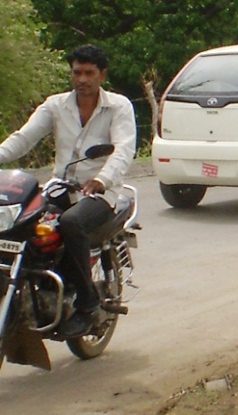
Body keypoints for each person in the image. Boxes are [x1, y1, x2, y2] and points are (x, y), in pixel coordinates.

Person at [0, 44, 136, 337]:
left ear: (102, 75)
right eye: (77, 72)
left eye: (89, 73)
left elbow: (124, 149)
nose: (82, 79)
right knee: (17, 222)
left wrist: (101, 179)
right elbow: (24, 139)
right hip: (60, 187)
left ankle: (87, 304)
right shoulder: (55, 105)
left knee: (71, 223)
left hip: (100, 192)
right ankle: (34, 286)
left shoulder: (118, 107)